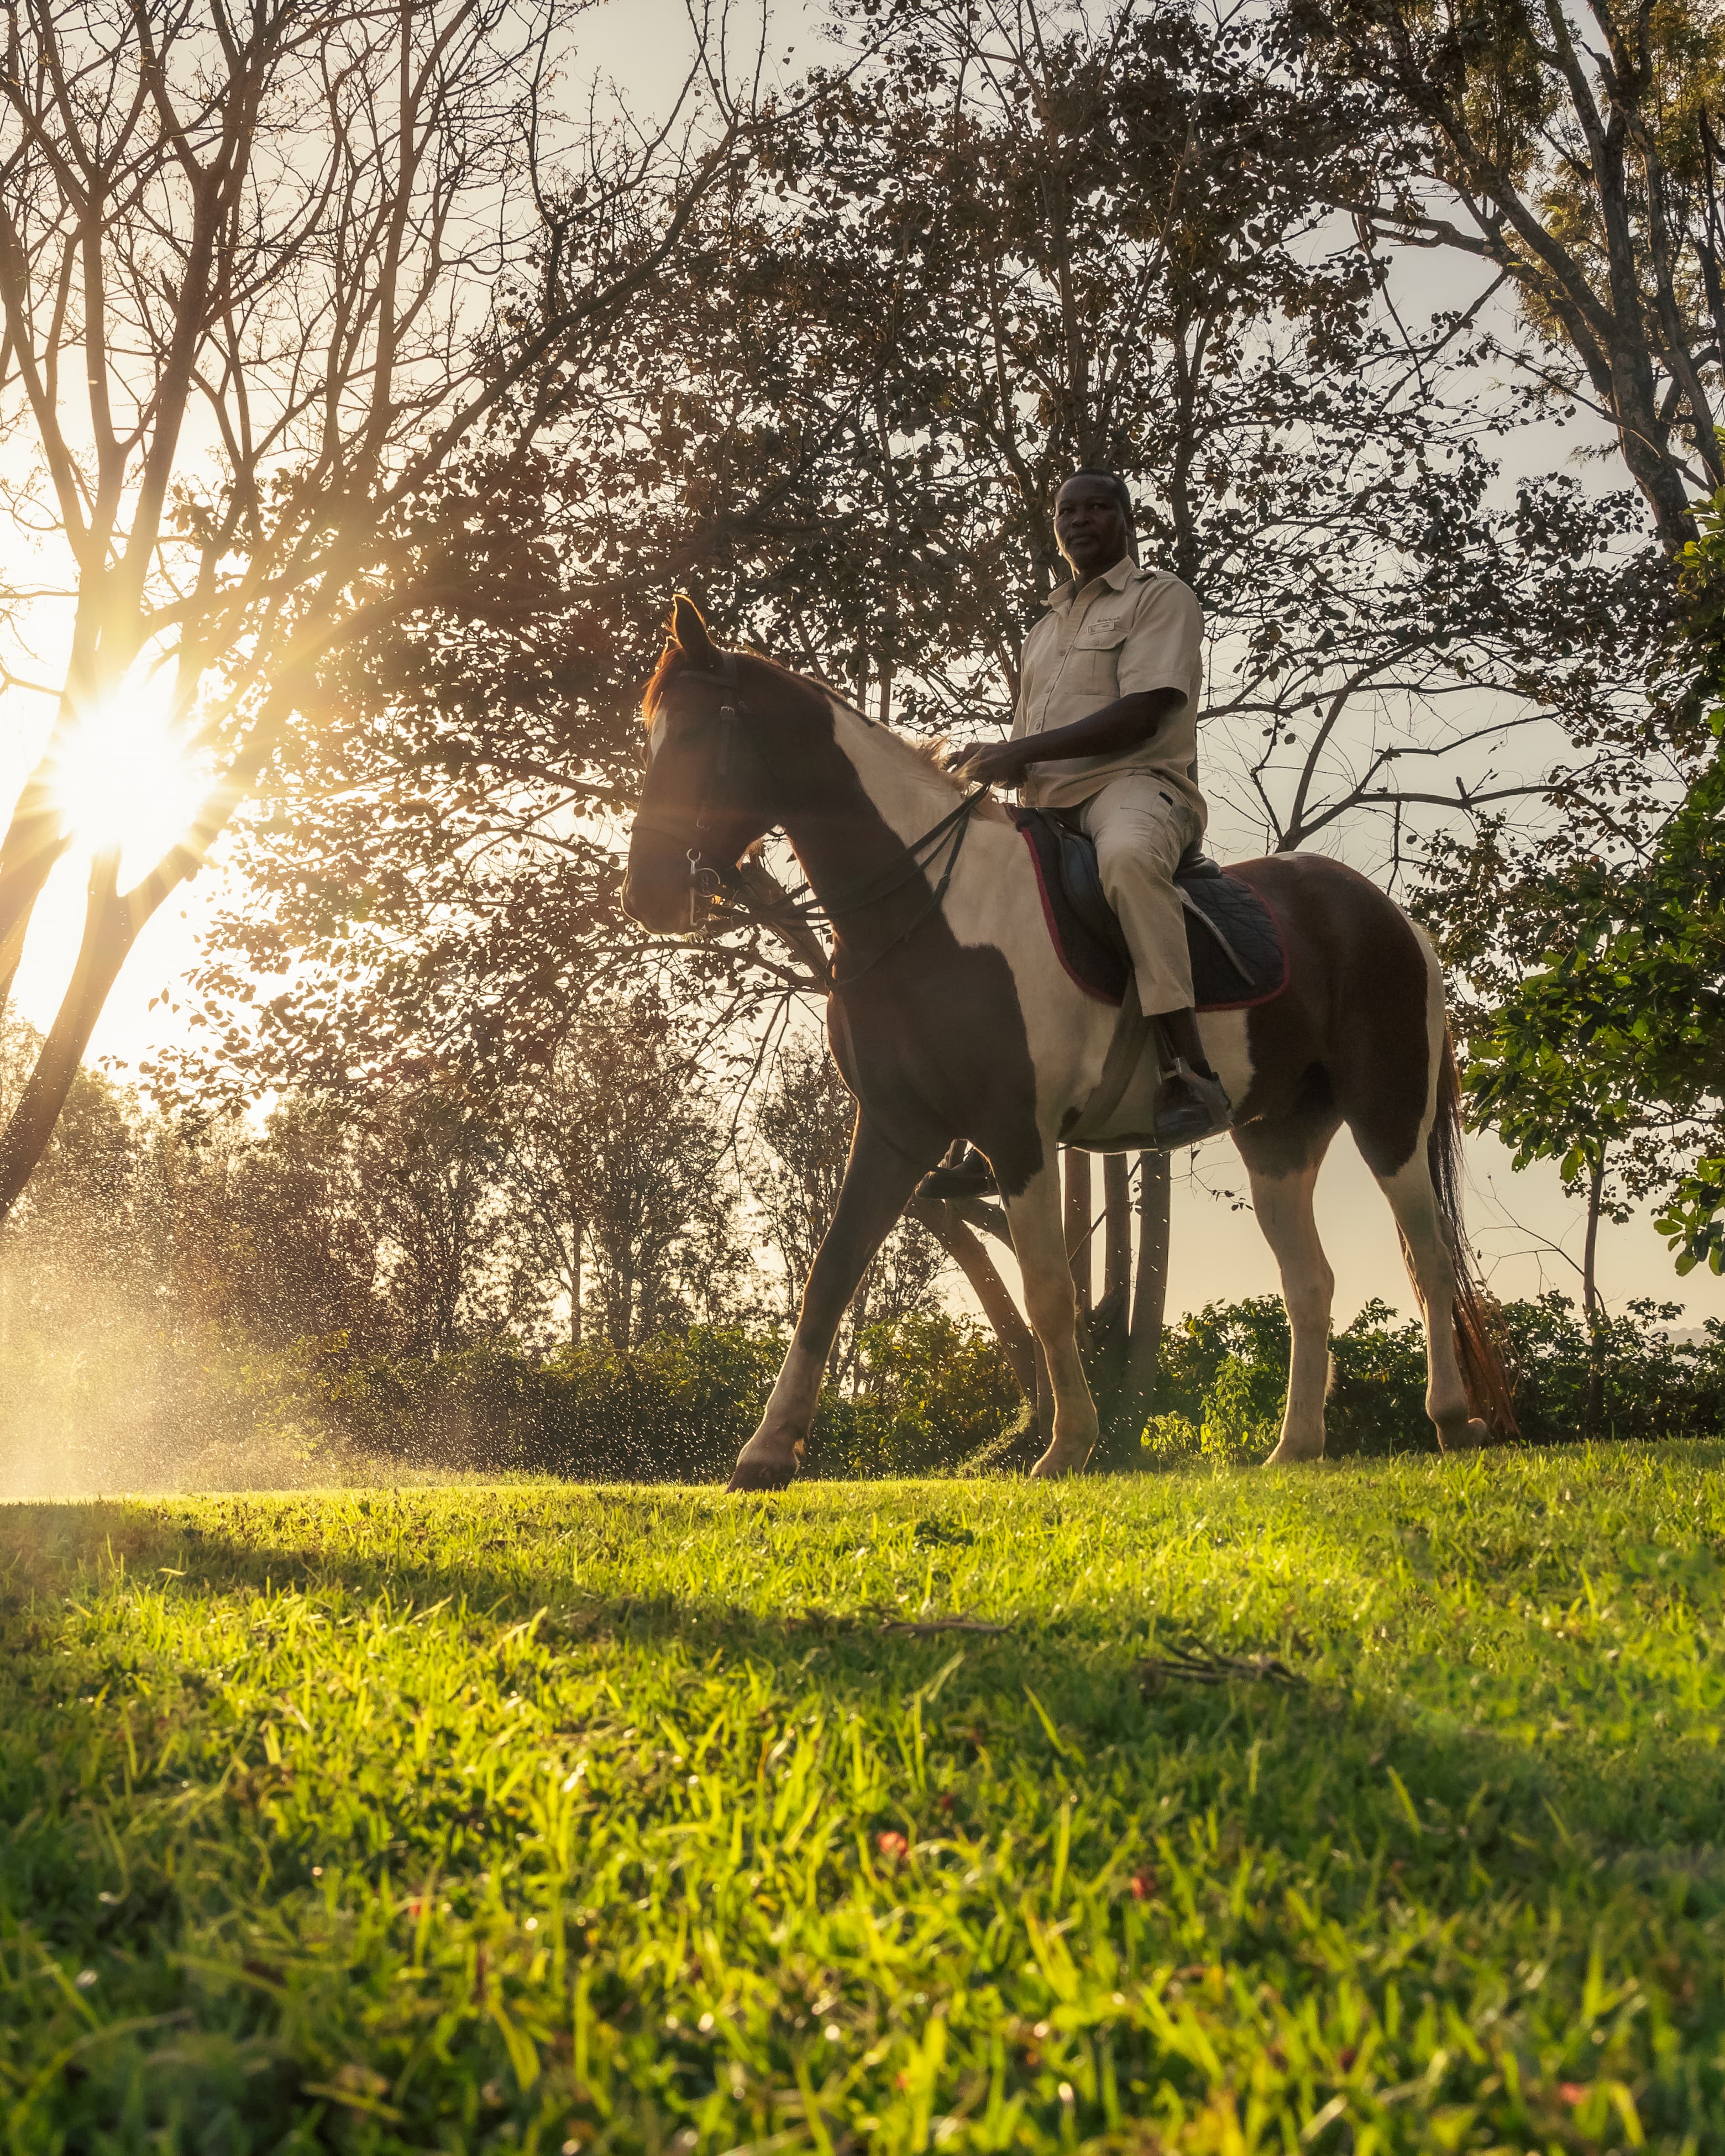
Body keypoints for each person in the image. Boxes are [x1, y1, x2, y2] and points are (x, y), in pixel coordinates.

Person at [921, 469, 1231, 1199]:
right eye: (1068, 509)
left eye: (1098, 506)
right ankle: (979, 1115)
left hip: (1135, 790)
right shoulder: (1043, 627)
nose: (1080, 518)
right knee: (960, 880)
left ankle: (1190, 1070)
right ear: (1054, 525)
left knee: (1125, 863)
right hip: (1044, 803)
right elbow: (1031, 736)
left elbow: (1144, 712)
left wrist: (1018, 752)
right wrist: (992, 762)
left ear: (1127, 519)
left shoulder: (1160, 597)